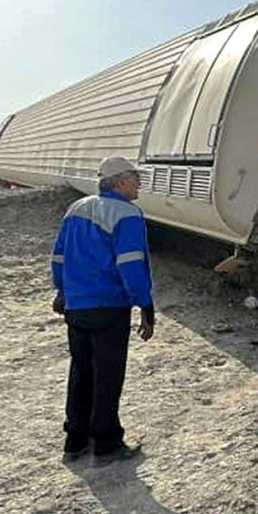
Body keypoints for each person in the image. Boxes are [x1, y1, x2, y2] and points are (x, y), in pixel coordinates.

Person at [50, 156, 154, 465]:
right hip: (109, 305)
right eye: (135, 177)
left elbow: (59, 255)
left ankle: (75, 442)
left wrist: (62, 291)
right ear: (120, 181)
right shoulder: (127, 213)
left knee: (81, 372)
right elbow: (130, 263)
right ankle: (106, 444)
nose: (139, 183)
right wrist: (145, 304)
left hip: (77, 305)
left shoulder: (76, 209)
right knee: (108, 375)